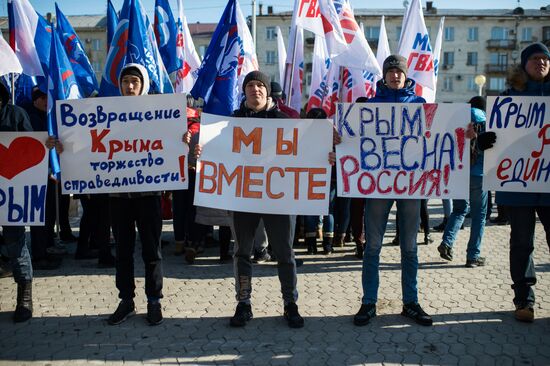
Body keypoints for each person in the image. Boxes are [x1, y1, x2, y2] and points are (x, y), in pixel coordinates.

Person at [196, 71, 305, 328]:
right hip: (243, 199)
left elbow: (306, 153)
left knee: (285, 253)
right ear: (244, 91)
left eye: (260, 85)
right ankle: (243, 303)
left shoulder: (285, 120)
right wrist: (201, 150)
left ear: (267, 92)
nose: (255, 89)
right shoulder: (230, 124)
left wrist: (326, 151)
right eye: (250, 85)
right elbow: (214, 153)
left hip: (278, 199)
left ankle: (290, 303)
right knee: (242, 252)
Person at [353, 55, 432, 327]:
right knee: (373, 245)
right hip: (378, 185)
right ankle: (368, 302)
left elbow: (437, 136)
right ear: (384, 76)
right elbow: (352, 140)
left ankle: (411, 302)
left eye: (399, 71)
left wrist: (463, 132)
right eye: (390, 71)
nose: (395, 75)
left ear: (406, 75)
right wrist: (339, 139)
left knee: (409, 247)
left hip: (410, 185)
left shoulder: (420, 105)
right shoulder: (370, 106)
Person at [487, 42, 550, 322]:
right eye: (535, 59)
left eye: (546, 59)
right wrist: (487, 141)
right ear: (524, 64)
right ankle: (524, 299)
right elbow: (494, 138)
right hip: (518, 187)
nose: (541, 63)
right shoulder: (508, 98)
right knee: (522, 243)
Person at [437, 96, 490, 268]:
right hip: (478, 173)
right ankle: (473, 256)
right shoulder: (485, 118)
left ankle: (447, 242)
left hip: (458, 171)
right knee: (479, 216)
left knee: (459, 209)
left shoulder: (457, 117)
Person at [0, 81, 34, 322]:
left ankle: (24, 296)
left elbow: (33, 149)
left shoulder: (16, 115)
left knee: (16, 243)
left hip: (12, 196)